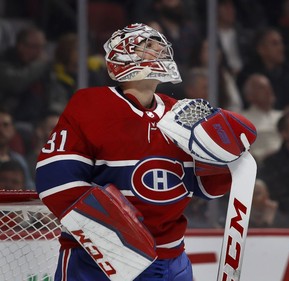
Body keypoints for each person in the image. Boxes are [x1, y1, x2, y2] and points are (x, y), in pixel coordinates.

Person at [35, 23, 257, 281]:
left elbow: (204, 188)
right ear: (122, 58)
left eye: (160, 44)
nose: (160, 49)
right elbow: (55, 182)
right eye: (149, 46)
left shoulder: (183, 114)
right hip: (97, 262)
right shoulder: (90, 106)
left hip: (171, 262)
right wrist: (113, 237)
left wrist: (226, 161)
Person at [240, 74, 282, 163]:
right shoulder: (242, 120)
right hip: (262, 165)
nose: (268, 91)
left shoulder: (282, 116)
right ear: (249, 96)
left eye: (269, 86)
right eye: (261, 88)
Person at [0, 107, 33, 190]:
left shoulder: (20, 160)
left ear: (13, 130)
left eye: (5, 125)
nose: (1, 130)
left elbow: (29, 188)